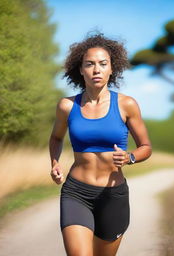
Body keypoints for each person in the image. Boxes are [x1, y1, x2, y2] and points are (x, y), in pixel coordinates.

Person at [49, 33, 152, 256]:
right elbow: (56, 138)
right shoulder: (67, 106)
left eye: (103, 64)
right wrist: (55, 162)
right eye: (90, 64)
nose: (97, 70)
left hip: (113, 195)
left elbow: (146, 146)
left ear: (112, 69)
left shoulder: (127, 104)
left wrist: (130, 157)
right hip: (76, 192)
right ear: (80, 69)